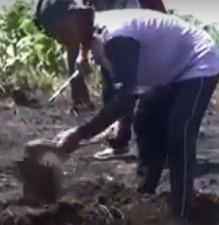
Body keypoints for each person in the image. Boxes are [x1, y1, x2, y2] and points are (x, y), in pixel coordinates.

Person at [34, 0, 219, 225]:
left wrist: (81, 134)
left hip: (197, 60)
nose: (62, 40)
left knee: (179, 132)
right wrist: (82, 55)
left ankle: (180, 217)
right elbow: (87, 41)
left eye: (62, 31)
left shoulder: (115, 36)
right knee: (144, 125)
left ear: (76, 15)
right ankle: (146, 195)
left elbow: (125, 100)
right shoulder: (91, 29)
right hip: (164, 72)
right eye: (56, 36)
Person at [65, 0, 168, 161]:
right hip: (106, 42)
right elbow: (84, 20)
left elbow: (158, 12)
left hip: (135, 40)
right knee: (111, 90)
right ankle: (120, 142)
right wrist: (83, 53)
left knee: (143, 97)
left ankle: (157, 148)